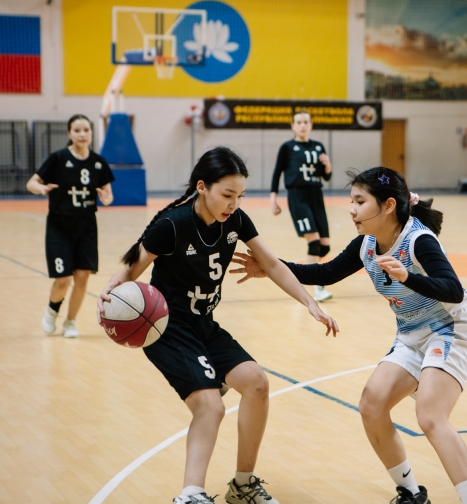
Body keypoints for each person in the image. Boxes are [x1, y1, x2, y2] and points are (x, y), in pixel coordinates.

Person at [96, 147, 338, 504]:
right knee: (210, 405)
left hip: (204, 324)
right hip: (168, 328)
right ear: (202, 187)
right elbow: (131, 267)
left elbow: (272, 264)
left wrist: (309, 302)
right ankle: (191, 494)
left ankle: (242, 486)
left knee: (257, 384)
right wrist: (110, 291)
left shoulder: (235, 220)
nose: (233, 204)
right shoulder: (172, 224)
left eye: (240, 196)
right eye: (227, 195)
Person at [236, 167, 467, 504]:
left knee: (430, 415)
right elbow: (325, 272)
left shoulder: (418, 240)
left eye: (359, 201)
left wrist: (409, 277)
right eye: (352, 201)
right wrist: (269, 268)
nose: (351, 209)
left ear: (387, 205)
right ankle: (411, 494)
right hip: (412, 333)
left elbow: (453, 290)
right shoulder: (366, 244)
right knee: (372, 404)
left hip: (452, 329)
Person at [26, 114, 114, 338]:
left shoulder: (98, 162)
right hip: (60, 225)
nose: (82, 134)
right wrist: (42, 188)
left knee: (82, 278)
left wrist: (106, 198)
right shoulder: (58, 158)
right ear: (69, 133)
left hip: (87, 226)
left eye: (86, 130)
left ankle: (70, 322)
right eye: (77, 130)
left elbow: (108, 194)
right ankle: (51, 310)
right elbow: (31, 182)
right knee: (63, 279)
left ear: (91, 133)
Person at [270, 110, 333, 302]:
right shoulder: (287, 147)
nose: (303, 125)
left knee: (325, 246)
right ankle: (316, 288)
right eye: (299, 122)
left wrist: (328, 166)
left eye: (306, 122)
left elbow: (326, 176)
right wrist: (273, 199)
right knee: (314, 243)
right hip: (298, 196)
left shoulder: (318, 147)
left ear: (311, 125)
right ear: (293, 126)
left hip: (316, 196)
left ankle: (300, 274)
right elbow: (277, 172)